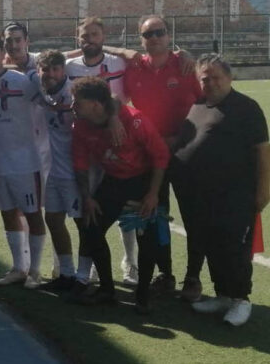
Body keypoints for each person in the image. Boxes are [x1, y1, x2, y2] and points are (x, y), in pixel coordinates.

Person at [173, 55, 269, 326]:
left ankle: (241, 299)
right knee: (212, 245)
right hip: (202, 195)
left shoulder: (246, 108)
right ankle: (223, 295)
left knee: (233, 248)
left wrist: (263, 193)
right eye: (205, 78)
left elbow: (263, 153)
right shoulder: (199, 104)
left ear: (229, 78)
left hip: (235, 195)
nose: (210, 83)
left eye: (216, 77)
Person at [71, 77, 169, 313]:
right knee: (91, 226)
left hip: (144, 180)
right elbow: (81, 163)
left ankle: (143, 294)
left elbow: (161, 156)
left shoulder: (134, 121)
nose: (73, 106)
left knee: (148, 235)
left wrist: (153, 194)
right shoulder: (81, 125)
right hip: (114, 181)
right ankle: (106, 290)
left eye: (78, 102)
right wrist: (88, 197)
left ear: (96, 104)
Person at [124, 15, 202, 299]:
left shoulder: (186, 66)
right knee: (156, 216)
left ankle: (193, 277)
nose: (154, 38)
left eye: (159, 32)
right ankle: (165, 273)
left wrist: (180, 138)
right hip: (150, 159)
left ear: (169, 35)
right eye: (148, 34)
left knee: (194, 217)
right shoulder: (133, 69)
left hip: (186, 156)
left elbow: (206, 108)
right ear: (141, 39)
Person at [65, 17, 138, 286]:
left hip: (118, 141)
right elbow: (30, 60)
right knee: (93, 207)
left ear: (103, 36)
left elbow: (124, 94)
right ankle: (95, 262)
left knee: (125, 209)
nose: (89, 40)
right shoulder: (70, 66)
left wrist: (115, 117)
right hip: (86, 143)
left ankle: (130, 263)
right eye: (84, 36)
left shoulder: (118, 63)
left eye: (94, 35)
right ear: (77, 39)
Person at [0, 34, 47, 289]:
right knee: (8, 214)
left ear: (1, 53)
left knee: (33, 214)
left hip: (26, 163)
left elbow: (47, 100)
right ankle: (19, 267)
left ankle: (36, 271)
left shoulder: (22, 81)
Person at [33, 50, 82, 291]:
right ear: (39, 71)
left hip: (76, 173)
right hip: (53, 170)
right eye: (46, 69)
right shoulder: (43, 92)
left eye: (55, 69)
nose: (50, 74)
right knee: (53, 219)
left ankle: (83, 277)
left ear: (63, 70)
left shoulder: (76, 93)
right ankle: (67, 274)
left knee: (84, 224)